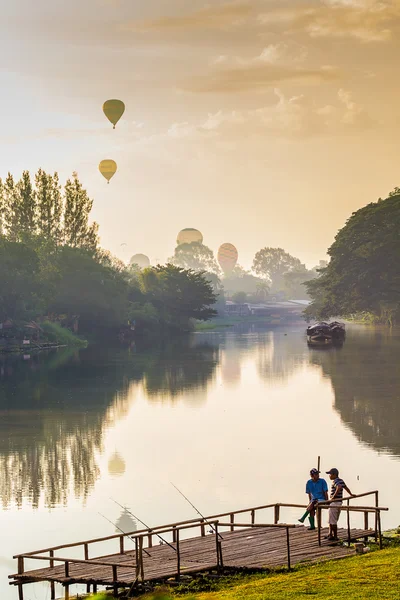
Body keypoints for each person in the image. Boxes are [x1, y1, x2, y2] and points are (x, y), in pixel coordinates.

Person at [326, 467, 353, 541]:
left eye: (330, 474)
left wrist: (333, 498)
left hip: (334, 503)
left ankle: (335, 536)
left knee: (333, 520)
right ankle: (330, 534)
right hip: (339, 502)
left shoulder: (336, 481)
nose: (329, 476)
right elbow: (345, 487)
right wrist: (351, 494)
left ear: (334, 474)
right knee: (333, 519)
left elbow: (339, 487)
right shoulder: (341, 480)